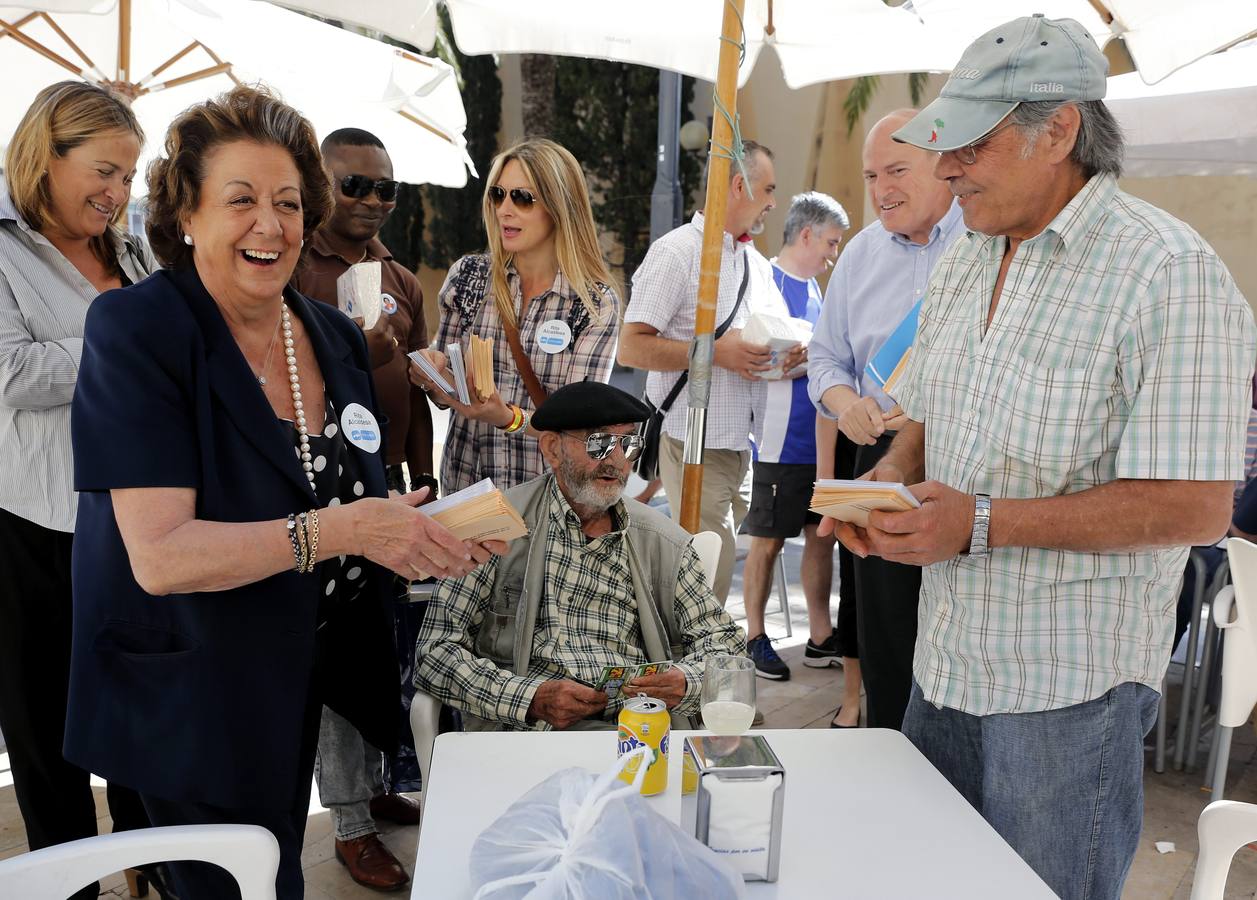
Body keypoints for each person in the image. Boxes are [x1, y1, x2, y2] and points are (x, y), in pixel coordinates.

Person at [826, 16, 1256, 898]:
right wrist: (884, 484)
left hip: (1069, 698)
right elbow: (927, 415)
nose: (946, 168)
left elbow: (1198, 507)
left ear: (1057, 130)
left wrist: (979, 524)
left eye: (970, 146)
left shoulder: (1167, 272)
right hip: (942, 667)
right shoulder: (967, 255)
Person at [65, 85, 505, 900]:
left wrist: (428, 537)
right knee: (233, 887)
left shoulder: (333, 335)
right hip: (187, 683)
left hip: (297, 673)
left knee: (268, 873)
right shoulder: (139, 330)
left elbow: (353, 500)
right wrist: (345, 531)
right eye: (240, 200)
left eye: (289, 202)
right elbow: (161, 558)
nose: (270, 224)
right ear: (186, 214)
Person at [0, 81, 164, 900]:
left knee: (137, 709)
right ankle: (66, 886)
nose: (118, 193)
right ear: (46, 155)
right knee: (43, 731)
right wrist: (111, 331)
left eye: (129, 176)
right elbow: (9, 373)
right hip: (29, 522)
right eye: (104, 171)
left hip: (134, 515)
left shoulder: (127, 249)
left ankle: (150, 864)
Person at [413, 381, 746, 731]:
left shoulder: (663, 542)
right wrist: (529, 698)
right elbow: (434, 652)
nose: (617, 460)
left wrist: (685, 681)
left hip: (633, 732)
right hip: (524, 734)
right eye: (599, 443)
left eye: (628, 443)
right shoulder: (492, 525)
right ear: (553, 449)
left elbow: (728, 650)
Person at [291, 126, 431, 892]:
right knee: (339, 657)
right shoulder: (287, 268)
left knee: (377, 650)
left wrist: (422, 464)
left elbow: (414, 382)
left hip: (386, 486)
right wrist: (360, 347)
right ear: (320, 185)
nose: (373, 201)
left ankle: (374, 789)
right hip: (313, 498)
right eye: (356, 186)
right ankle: (348, 822)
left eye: (387, 190)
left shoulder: (401, 278)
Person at [807, 110, 964, 730]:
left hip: (963, 456)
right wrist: (847, 407)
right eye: (872, 175)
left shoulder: (986, 243)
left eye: (897, 170)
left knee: (961, 627)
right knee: (888, 632)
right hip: (877, 456)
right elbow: (824, 357)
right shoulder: (861, 254)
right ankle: (893, 754)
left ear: (944, 164)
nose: (881, 190)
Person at [620, 140, 803, 605]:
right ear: (739, 186)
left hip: (740, 446)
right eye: (769, 189)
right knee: (703, 586)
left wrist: (790, 358)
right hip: (692, 442)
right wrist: (715, 354)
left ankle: (699, 669)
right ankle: (696, 674)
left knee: (708, 581)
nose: (773, 202)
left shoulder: (755, 265)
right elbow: (632, 347)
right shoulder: (677, 252)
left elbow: (763, 342)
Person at [409, 138, 620, 493]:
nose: (504, 209)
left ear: (558, 207)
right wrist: (431, 371)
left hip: (546, 499)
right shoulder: (469, 277)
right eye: (497, 194)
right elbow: (444, 391)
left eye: (522, 198)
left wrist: (507, 418)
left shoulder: (593, 303)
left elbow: (579, 426)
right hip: (466, 487)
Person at [740, 192, 849, 687]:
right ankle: (755, 637)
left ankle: (821, 636)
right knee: (766, 542)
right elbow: (760, 358)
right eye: (830, 242)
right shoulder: (764, 279)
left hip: (822, 441)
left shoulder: (816, 288)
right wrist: (808, 357)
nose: (833, 254)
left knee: (819, 539)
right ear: (805, 234)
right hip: (781, 443)